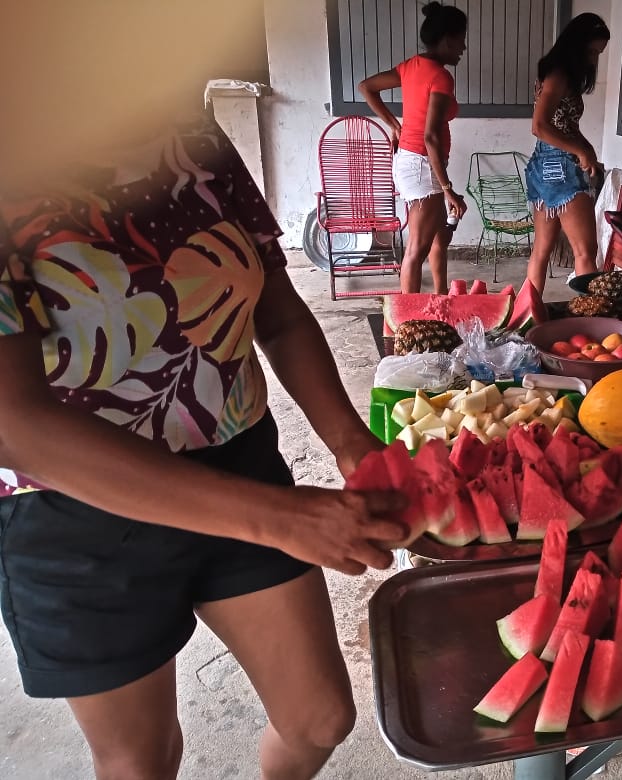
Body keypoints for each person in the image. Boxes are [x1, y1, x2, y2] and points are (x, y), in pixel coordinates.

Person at [0, 4, 408, 779]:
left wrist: (353, 446)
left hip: (239, 456)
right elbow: (14, 424)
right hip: (73, 512)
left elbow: (281, 316)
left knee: (320, 715)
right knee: (140, 758)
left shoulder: (194, 142)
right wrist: (285, 518)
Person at [359, 2, 468, 295]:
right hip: (422, 164)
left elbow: (366, 86)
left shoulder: (410, 67)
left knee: (438, 238)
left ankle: (441, 298)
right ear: (447, 39)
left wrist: (396, 125)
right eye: (461, 39)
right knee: (416, 251)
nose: (464, 47)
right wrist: (447, 188)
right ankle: (407, 323)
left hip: (413, 161)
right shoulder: (441, 77)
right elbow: (431, 136)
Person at [525, 13, 612, 293]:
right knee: (585, 251)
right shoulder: (559, 74)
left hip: (543, 163)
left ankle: (529, 315)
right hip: (560, 167)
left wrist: (585, 150)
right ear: (576, 44)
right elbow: (539, 126)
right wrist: (578, 151)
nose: (593, 59)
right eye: (590, 51)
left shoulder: (556, 73)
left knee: (541, 251)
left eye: (597, 53)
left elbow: (565, 126)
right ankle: (589, 319)